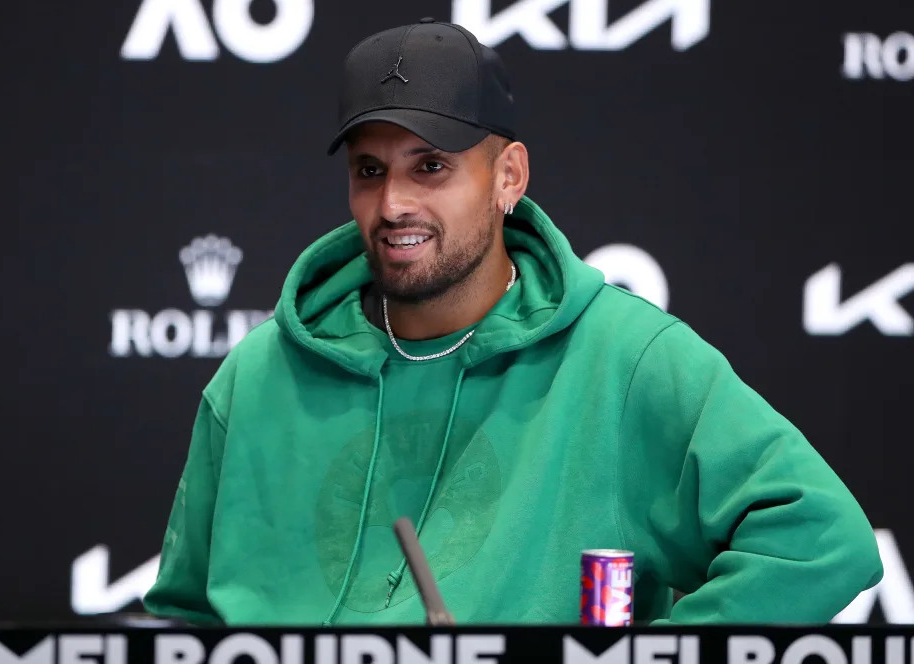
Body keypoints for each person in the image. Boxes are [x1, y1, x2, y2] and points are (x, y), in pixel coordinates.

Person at [143, 18, 882, 626]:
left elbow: (818, 542)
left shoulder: (623, 358)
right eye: (370, 170)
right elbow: (183, 618)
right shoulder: (260, 371)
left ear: (508, 178)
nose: (394, 202)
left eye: (429, 166)